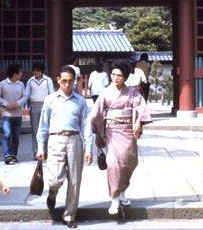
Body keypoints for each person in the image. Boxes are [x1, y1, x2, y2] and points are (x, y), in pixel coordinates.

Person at [90, 60, 152, 216]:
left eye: (119, 75)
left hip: (127, 132)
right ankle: (115, 198)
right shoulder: (105, 93)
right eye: (113, 74)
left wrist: (139, 121)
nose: (115, 77)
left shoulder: (133, 93)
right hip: (111, 132)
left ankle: (122, 191)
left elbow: (141, 108)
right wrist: (96, 129)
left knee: (127, 162)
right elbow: (96, 113)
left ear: (125, 77)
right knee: (113, 164)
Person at [36, 66, 94, 229]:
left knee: (75, 180)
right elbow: (43, 126)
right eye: (64, 81)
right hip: (55, 140)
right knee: (55, 179)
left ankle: (69, 216)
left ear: (74, 81)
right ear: (58, 80)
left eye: (70, 81)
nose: (67, 84)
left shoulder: (80, 100)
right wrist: (41, 147)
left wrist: (88, 148)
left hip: (75, 140)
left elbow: (86, 126)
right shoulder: (50, 99)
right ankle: (52, 193)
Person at [0, 63, 27, 164]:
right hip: (7, 114)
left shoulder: (21, 84)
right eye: (20, 72)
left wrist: (18, 103)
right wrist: (6, 104)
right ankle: (7, 155)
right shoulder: (2, 84)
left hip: (18, 114)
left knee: (16, 136)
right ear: (15, 73)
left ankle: (13, 155)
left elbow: (25, 96)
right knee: (7, 134)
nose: (21, 74)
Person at [25, 62, 55, 160]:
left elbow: (51, 94)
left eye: (38, 70)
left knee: (45, 129)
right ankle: (36, 152)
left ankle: (45, 151)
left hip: (45, 106)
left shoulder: (47, 80)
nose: (36, 72)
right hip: (34, 106)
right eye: (34, 70)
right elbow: (27, 94)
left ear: (42, 71)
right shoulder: (30, 81)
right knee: (35, 130)